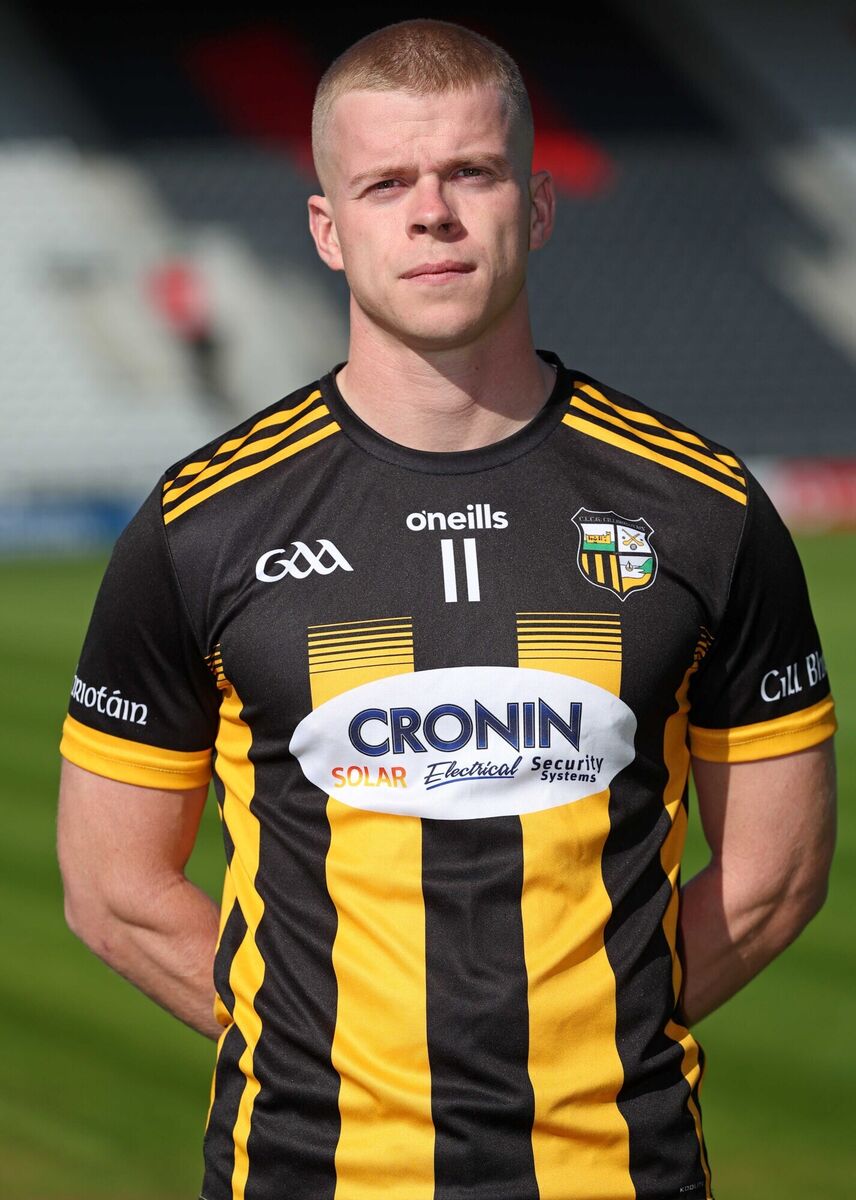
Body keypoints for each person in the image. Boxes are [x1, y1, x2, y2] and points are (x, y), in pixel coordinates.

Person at [57, 18, 837, 1200]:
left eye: (470, 172)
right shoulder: (200, 523)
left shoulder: (701, 509)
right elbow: (114, 891)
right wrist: (341, 1060)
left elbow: (776, 877)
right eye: (385, 183)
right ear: (327, 228)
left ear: (538, 203)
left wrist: (583, 1043)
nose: (432, 213)